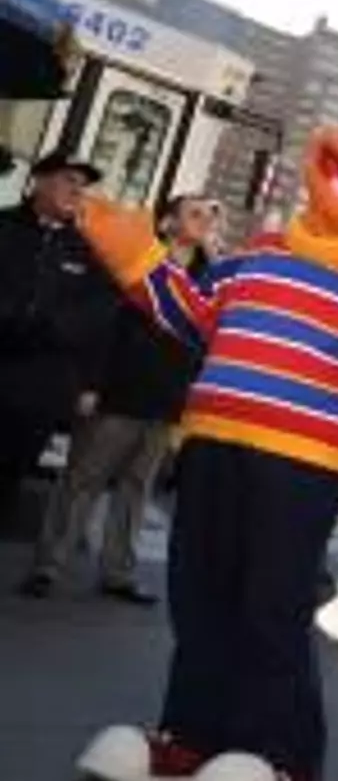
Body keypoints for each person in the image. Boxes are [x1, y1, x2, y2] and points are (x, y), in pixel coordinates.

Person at [73, 123, 338, 781]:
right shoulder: (258, 254)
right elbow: (195, 314)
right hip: (213, 446)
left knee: (272, 610)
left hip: (305, 465)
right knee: (199, 598)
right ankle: (189, 738)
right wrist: (138, 261)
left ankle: (281, 756)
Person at [20, 194, 218, 603]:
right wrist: (90, 383)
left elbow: (209, 344)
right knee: (81, 481)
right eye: (194, 214)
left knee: (136, 489)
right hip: (118, 390)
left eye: (208, 216)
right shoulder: (137, 264)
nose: (204, 222)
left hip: (168, 400)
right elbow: (102, 326)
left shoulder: (209, 280)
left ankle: (119, 573)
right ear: (167, 223)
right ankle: (48, 566)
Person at [0, 151, 119, 529]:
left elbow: (99, 316)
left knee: (10, 480)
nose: (77, 190)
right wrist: (15, 321)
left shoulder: (88, 249)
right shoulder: (5, 226)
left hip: (42, 386)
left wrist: (90, 383)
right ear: (39, 180)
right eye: (69, 179)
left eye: (83, 185)